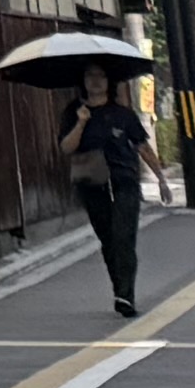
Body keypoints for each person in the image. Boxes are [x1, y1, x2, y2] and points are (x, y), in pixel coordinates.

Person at [65, 76, 154, 318]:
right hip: (92, 183)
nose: (96, 81)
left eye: (102, 76)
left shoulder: (123, 114)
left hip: (125, 181)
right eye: (90, 76)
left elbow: (142, 146)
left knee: (124, 237)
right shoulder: (74, 112)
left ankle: (126, 295)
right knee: (109, 239)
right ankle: (119, 288)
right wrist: (81, 122)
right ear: (83, 81)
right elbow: (66, 147)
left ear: (109, 82)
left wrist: (162, 180)